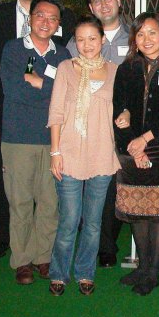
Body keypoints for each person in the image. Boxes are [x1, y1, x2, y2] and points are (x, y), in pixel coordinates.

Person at [0, 0, 71, 285]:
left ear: (58, 24)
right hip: (19, 137)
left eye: (52, 18)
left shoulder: (63, 54)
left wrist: (39, 82)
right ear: (30, 18)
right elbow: (14, 89)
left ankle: (44, 257)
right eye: (40, 15)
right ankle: (22, 260)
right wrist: (51, 89)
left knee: (50, 201)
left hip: (54, 139)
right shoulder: (14, 49)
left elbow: (68, 95)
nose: (45, 22)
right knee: (20, 201)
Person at [113, 12, 159, 296]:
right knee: (137, 214)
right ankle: (142, 267)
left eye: (152, 33)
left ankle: (153, 272)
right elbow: (119, 110)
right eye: (140, 34)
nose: (147, 39)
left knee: (158, 215)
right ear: (134, 39)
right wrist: (132, 145)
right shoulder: (127, 68)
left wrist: (146, 140)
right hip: (131, 150)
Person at [48, 15, 120, 296]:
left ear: (102, 40)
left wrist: (124, 116)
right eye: (80, 39)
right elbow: (55, 112)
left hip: (102, 154)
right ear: (74, 42)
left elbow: (121, 109)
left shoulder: (116, 71)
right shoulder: (66, 68)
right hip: (68, 154)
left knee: (93, 222)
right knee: (69, 219)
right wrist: (55, 152)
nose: (87, 44)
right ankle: (58, 272)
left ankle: (85, 272)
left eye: (92, 38)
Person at [66, 0, 130, 268]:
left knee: (114, 188)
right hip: (84, 126)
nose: (103, 4)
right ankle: (95, 242)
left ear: (118, 0)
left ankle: (107, 243)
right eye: (97, 1)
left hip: (121, 125)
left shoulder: (135, 37)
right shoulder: (75, 42)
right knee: (85, 186)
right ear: (90, 7)